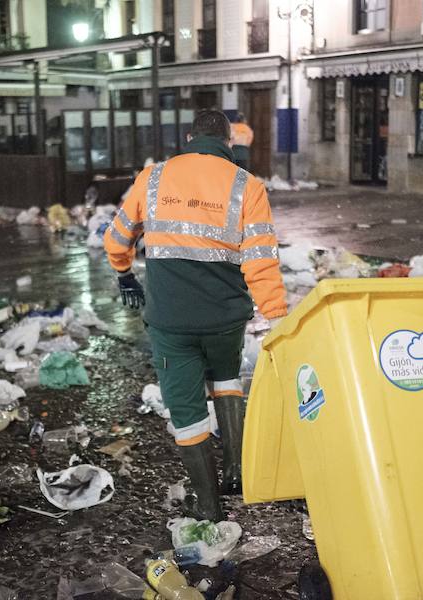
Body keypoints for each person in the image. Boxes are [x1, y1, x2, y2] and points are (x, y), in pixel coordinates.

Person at [103, 110, 287, 521]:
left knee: (186, 410)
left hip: (171, 322)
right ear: (229, 141)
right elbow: (261, 260)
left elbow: (116, 238)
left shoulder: (152, 178)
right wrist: (276, 317)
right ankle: (236, 471)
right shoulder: (247, 186)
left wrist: (123, 273)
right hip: (225, 319)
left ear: (189, 138)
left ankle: (209, 507)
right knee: (226, 380)